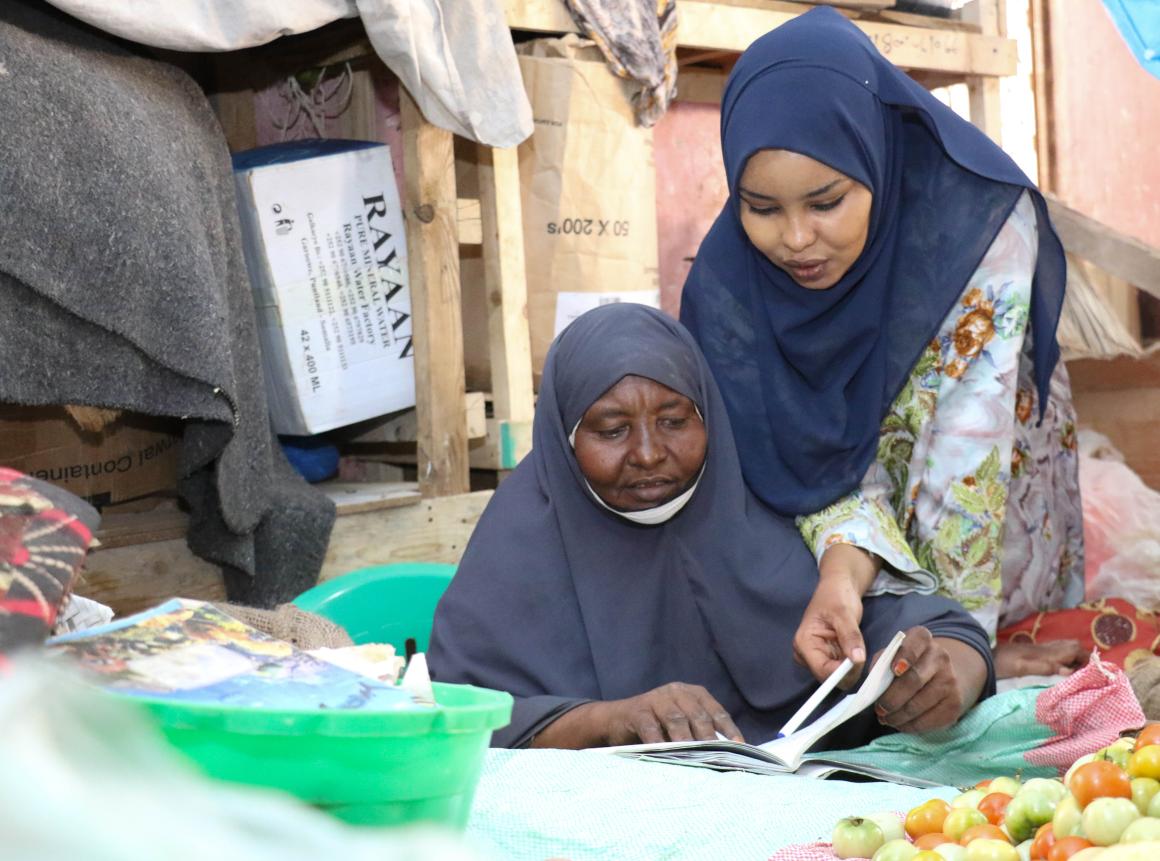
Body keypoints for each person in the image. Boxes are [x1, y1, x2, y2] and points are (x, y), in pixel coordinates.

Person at [679, 7, 1087, 687]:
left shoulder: (978, 232)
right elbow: (800, 458)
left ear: (873, 153)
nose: (798, 239)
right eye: (763, 208)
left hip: (990, 515)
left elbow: (966, 464)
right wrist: (844, 575)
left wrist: (966, 654)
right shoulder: (728, 284)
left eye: (826, 201)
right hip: (851, 553)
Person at [428, 303, 994, 749]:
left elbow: (948, 635)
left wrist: (945, 680)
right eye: (610, 430)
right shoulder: (522, 537)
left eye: (674, 421)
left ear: (710, 415)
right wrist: (610, 721)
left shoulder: (766, 501)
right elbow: (454, 714)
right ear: (562, 438)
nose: (649, 454)